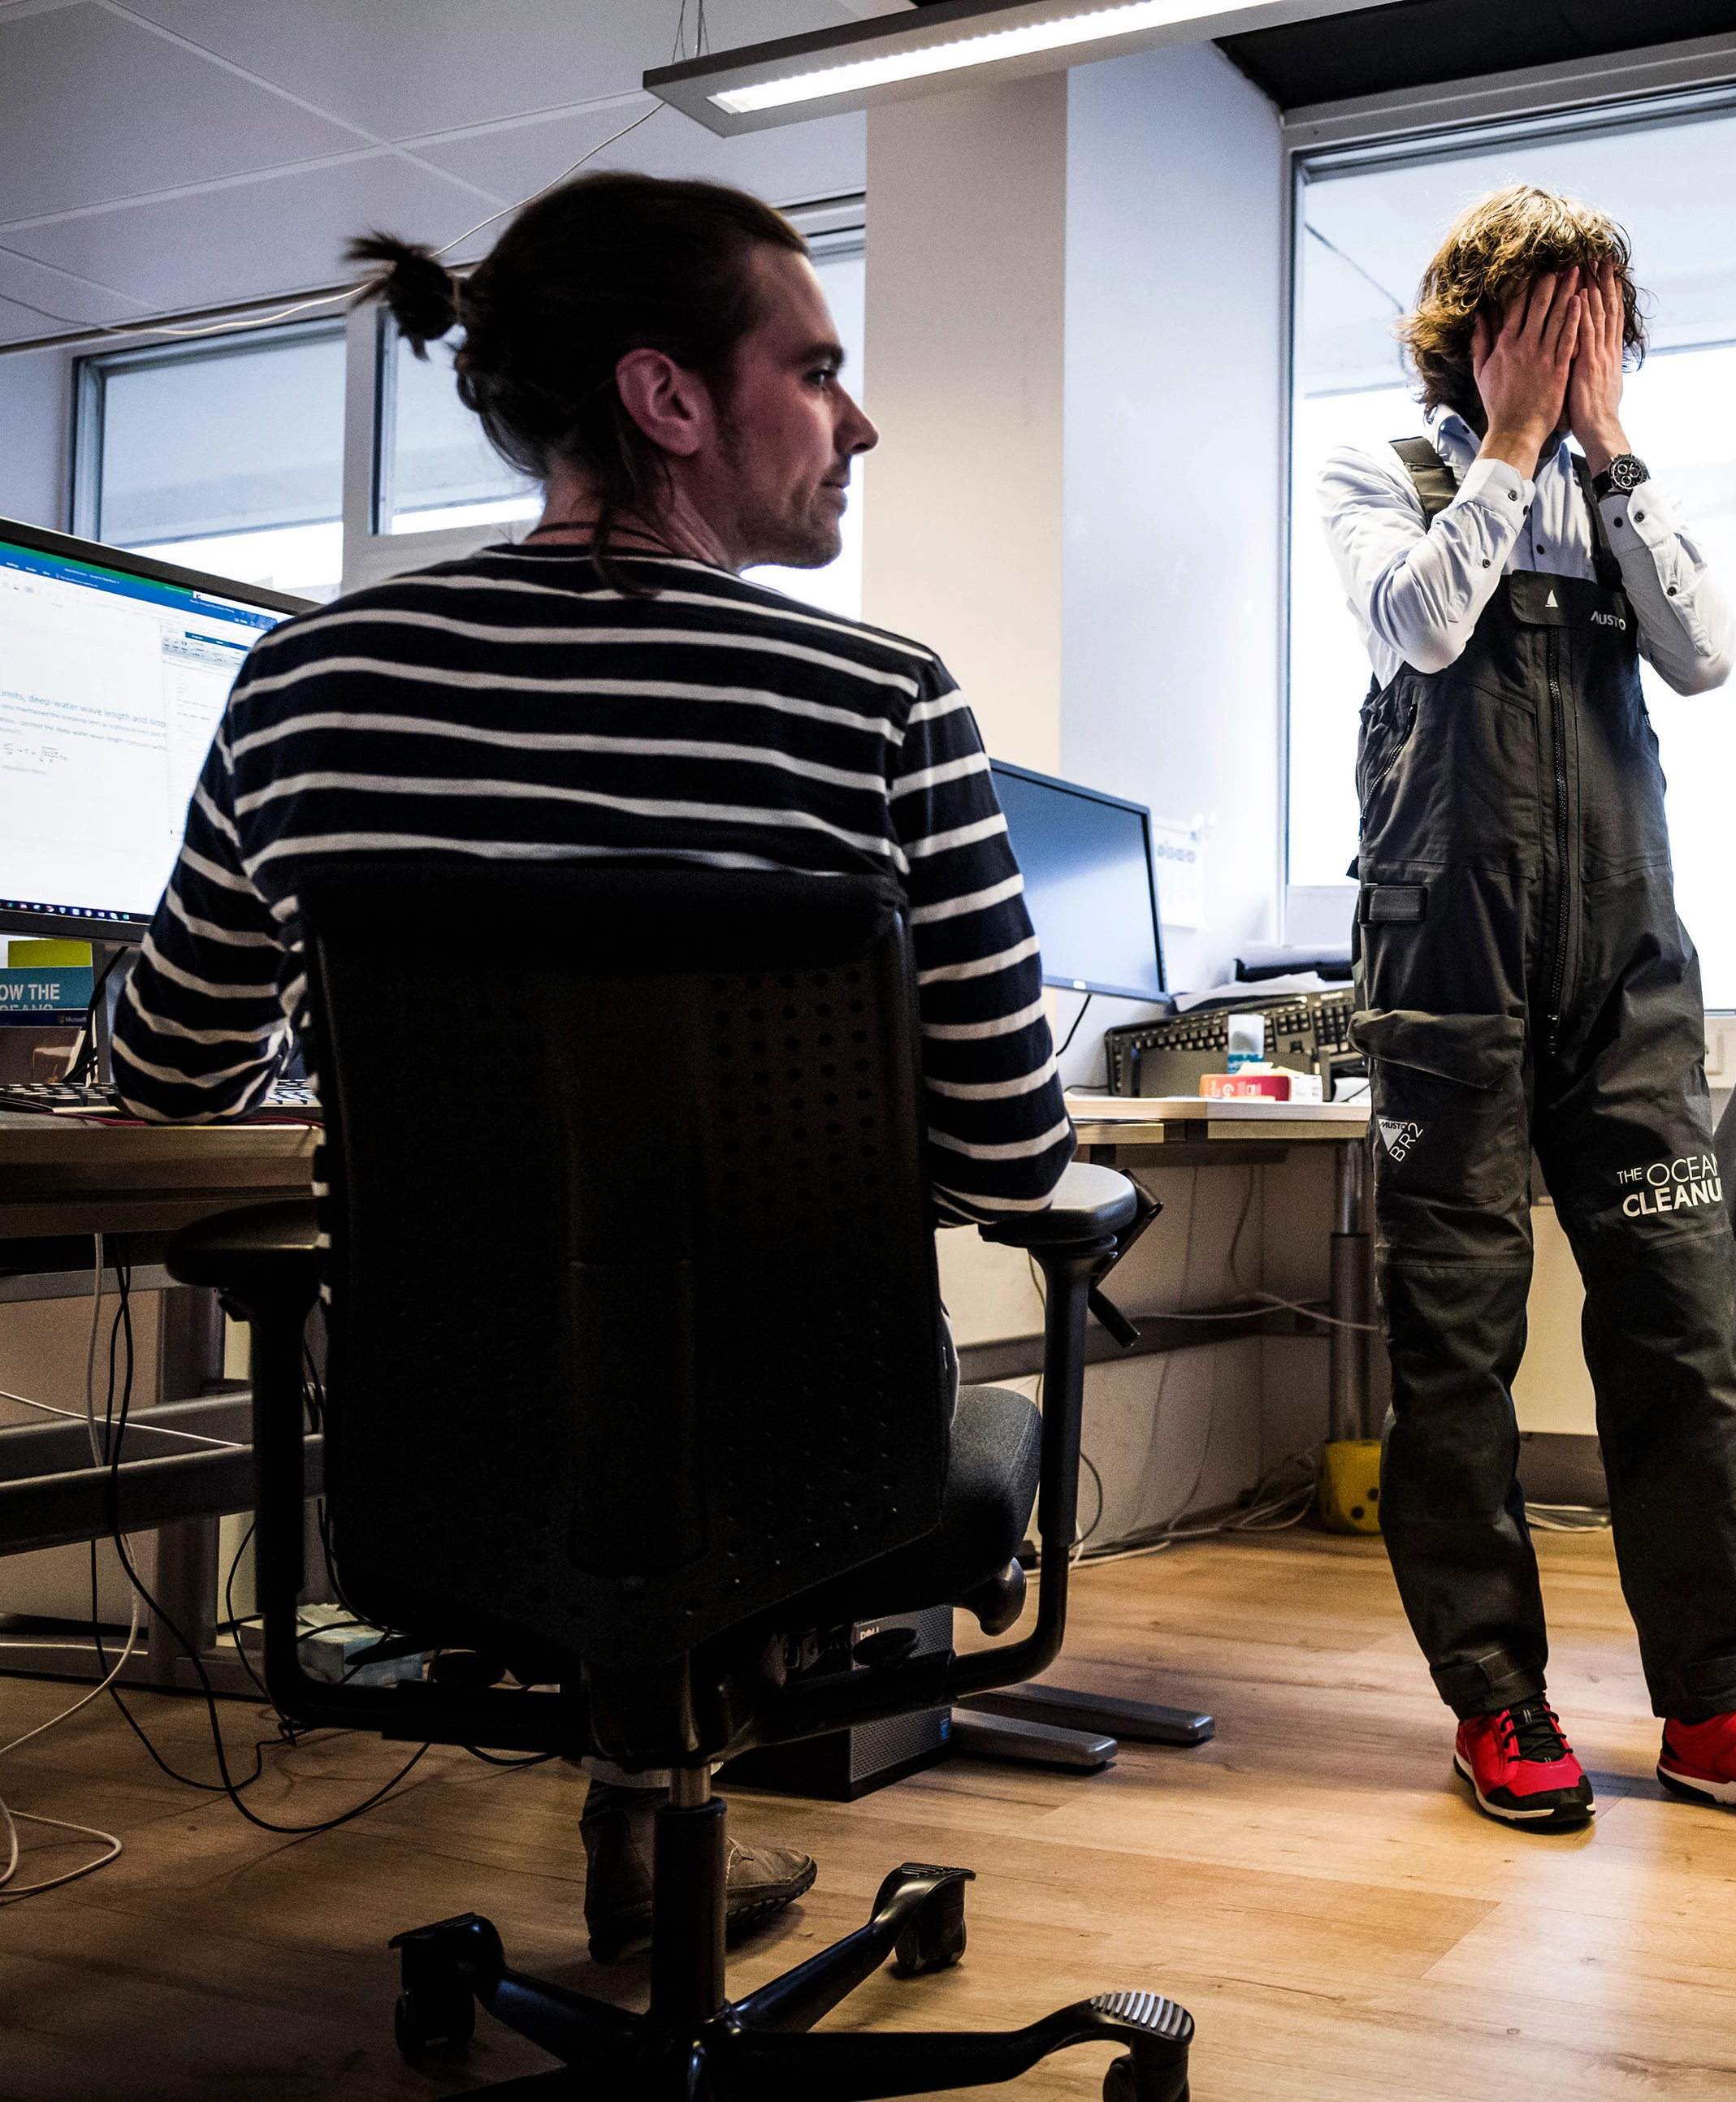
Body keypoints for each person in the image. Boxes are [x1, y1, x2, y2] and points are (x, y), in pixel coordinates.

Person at [110, 171, 1077, 1963]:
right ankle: (666, 1811)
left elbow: (167, 1072)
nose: (856, 420)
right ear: (669, 399)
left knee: (580, 1413)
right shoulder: (886, 706)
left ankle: (642, 1814)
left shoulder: (307, 682)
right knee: (744, 1412)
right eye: (818, 368)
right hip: (828, 1470)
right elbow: (1016, 1159)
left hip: (439, 1473)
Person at [1318, 184, 1736, 1833]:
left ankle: (1725, 1710)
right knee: (1457, 1357)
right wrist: (1506, 445)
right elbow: (1421, 625)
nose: (1586, 351)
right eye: (1554, 319)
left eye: (1604, 325)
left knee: (1686, 1338)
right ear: (1481, 325)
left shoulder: (1617, 493)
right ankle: (1495, 1705)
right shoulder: (1389, 473)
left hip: (1631, 977)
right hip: (1451, 979)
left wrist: (1608, 449)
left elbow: (1711, 655)